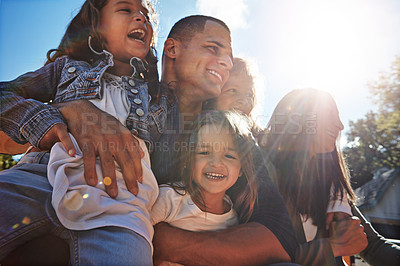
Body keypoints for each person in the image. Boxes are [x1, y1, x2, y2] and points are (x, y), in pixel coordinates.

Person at [0, 0, 162, 264]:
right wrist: (45, 121)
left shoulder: (157, 94)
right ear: (97, 26)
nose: (141, 18)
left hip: (121, 205)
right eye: (126, 10)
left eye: (145, 14)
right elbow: (5, 93)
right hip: (41, 178)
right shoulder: (67, 67)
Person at [260, 88, 368, 265]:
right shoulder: (264, 174)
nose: (340, 125)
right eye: (330, 114)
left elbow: (375, 245)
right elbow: (259, 257)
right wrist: (333, 247)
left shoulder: (330, 184)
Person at [151, 110, 258, 265]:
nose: (216, 163)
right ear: (188, 158)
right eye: (204, 152)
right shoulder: (169, 198)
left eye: (229, 156)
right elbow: (137, 235)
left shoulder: (233, 219)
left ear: (241, 169)